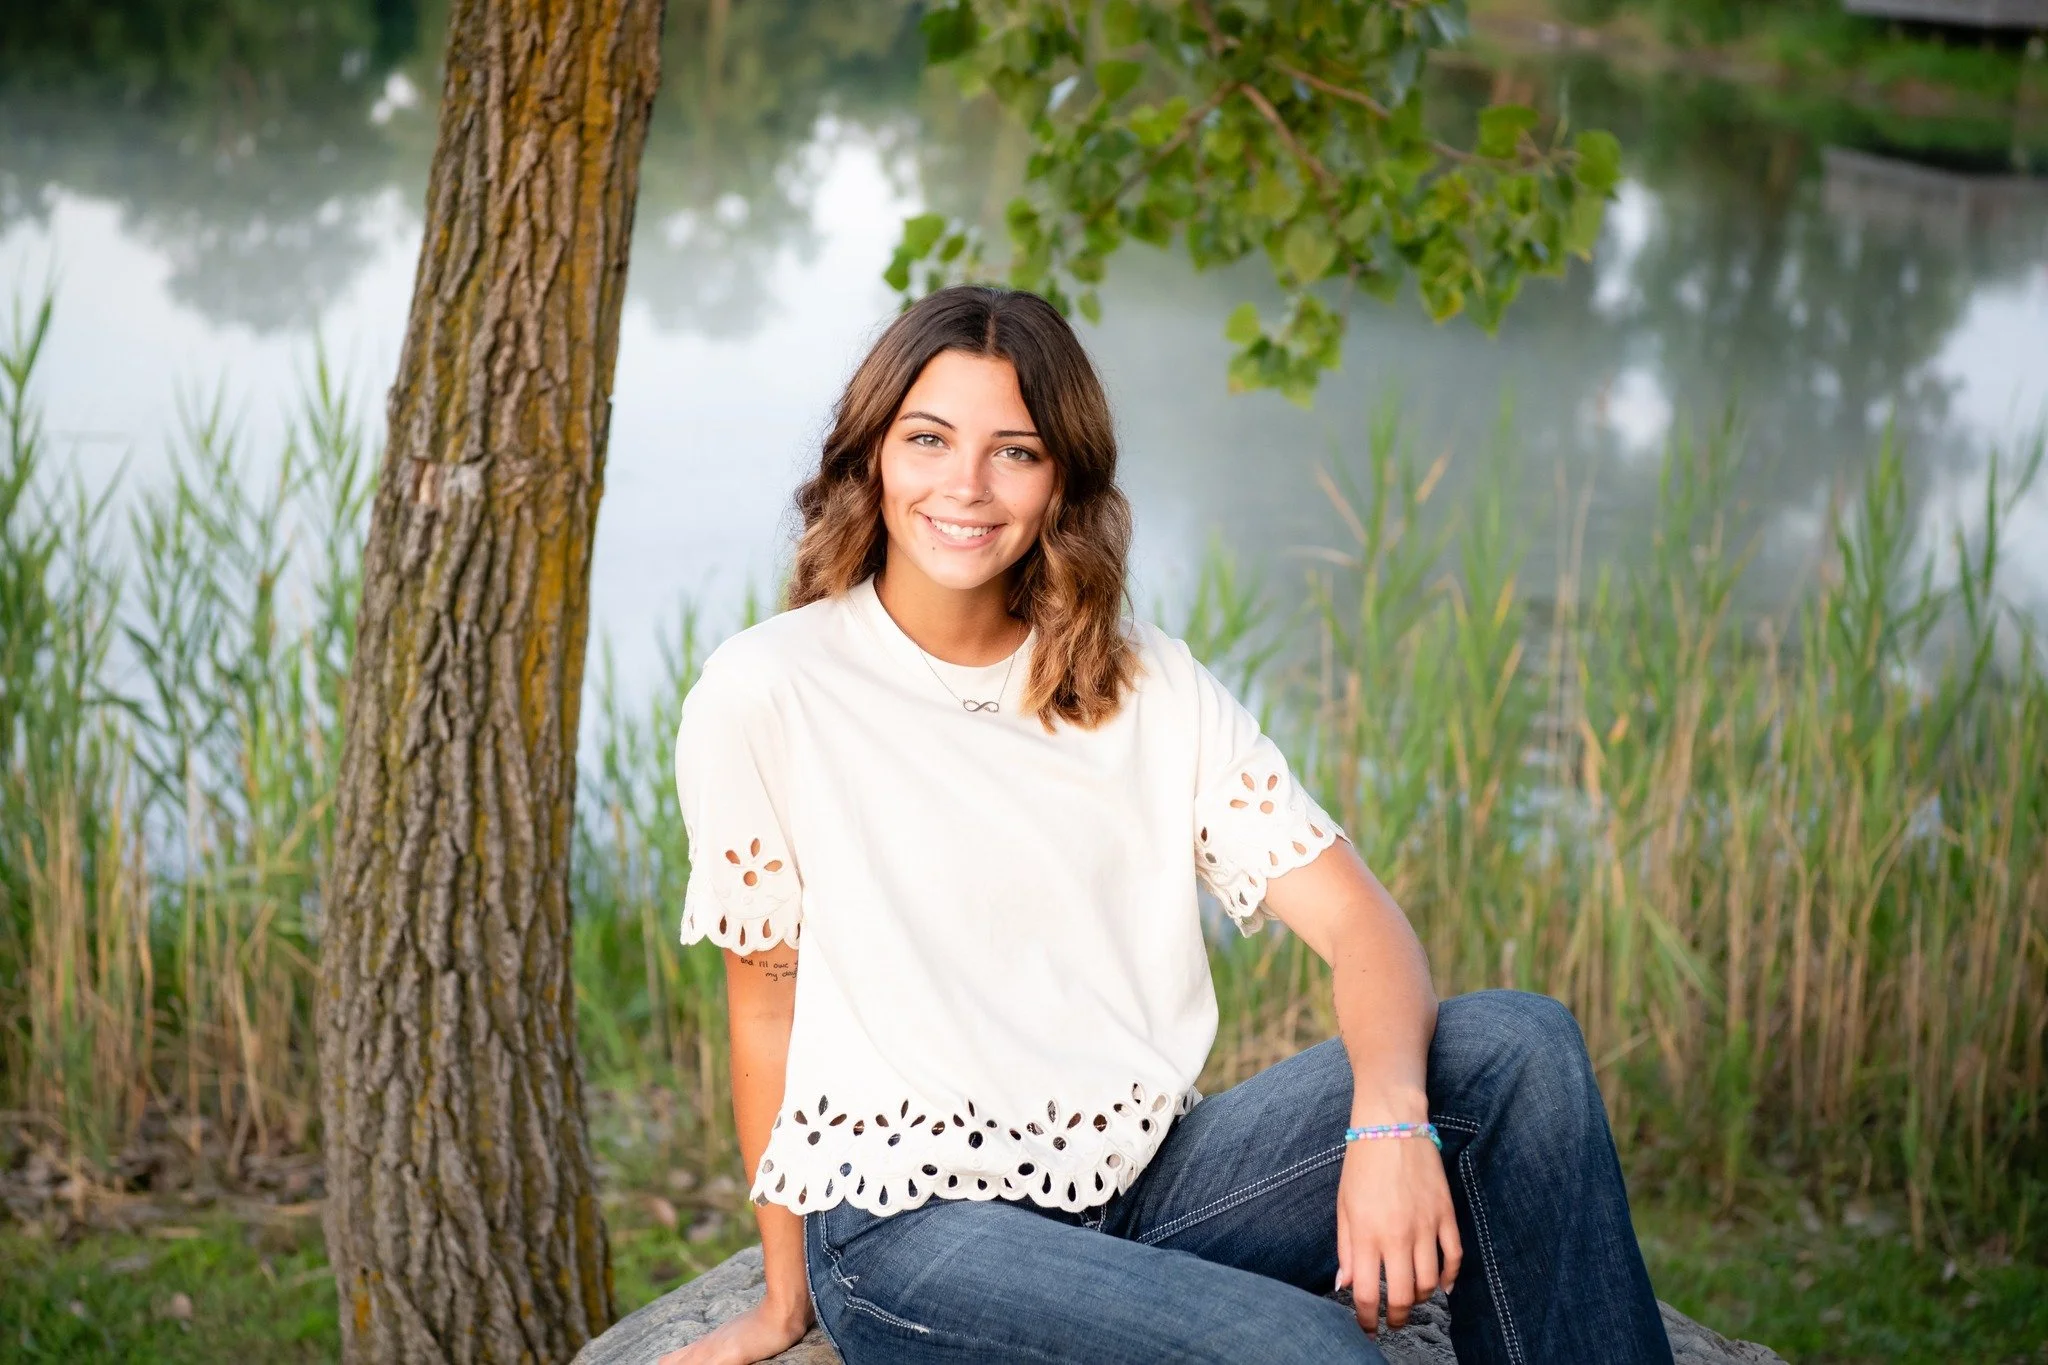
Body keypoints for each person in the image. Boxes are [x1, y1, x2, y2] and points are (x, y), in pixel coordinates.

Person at [658, 284, 1673, 1365]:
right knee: (1303, 1352)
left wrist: (1389, 1122)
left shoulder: (1145, 686)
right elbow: (765, 1004)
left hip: (1150, 1181)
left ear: (1062, 482)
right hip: (916, 1234)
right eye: (928, 439)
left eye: (1015, 451)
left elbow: (1358, 922)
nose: (965, 486)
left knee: (1515, 1047)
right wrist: (782, 1299)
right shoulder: (769, 688)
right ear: (870, 455)